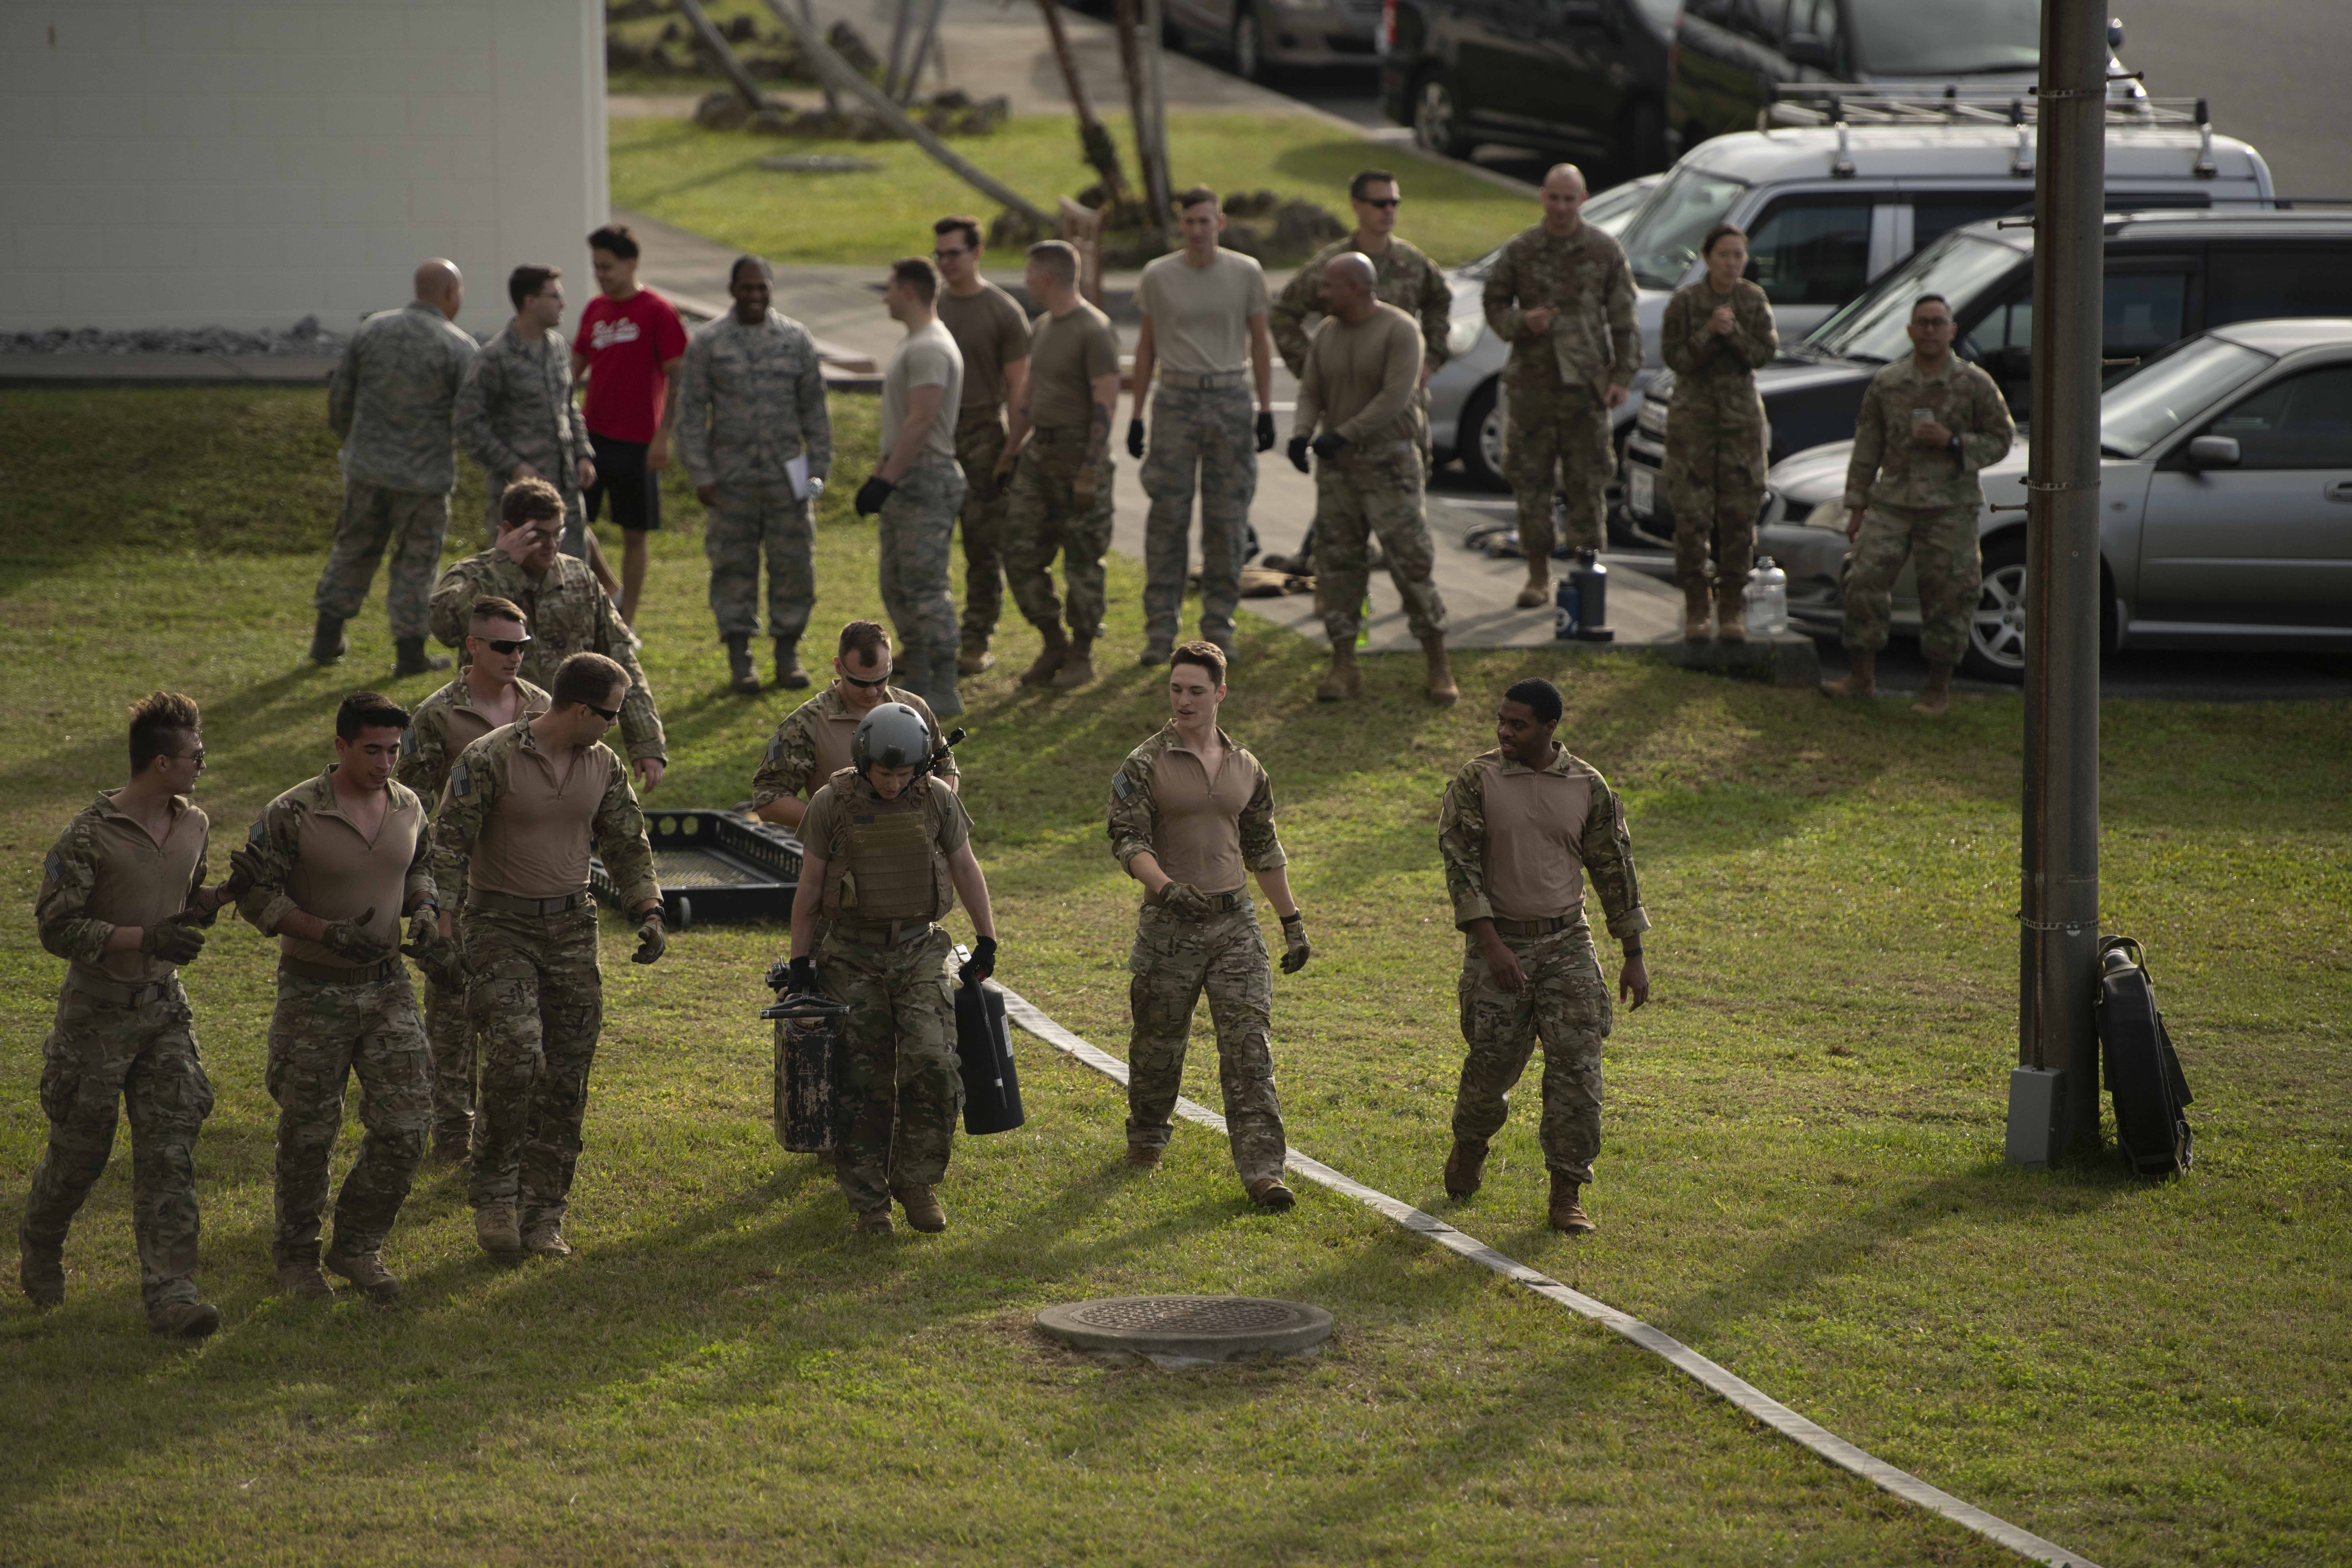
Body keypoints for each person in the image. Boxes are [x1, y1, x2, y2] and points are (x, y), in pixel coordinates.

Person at [426, 652, 663, 1259]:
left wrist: (647, 907)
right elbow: (448, 847)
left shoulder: (603, 765)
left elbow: (627, 839)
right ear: (581, 709)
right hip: (498, 926)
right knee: (514, 1057)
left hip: (572, 929)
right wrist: (442, 928)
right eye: (610, 714)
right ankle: (496, 1199)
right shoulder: (490, 758)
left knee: (565, 1076)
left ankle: (544, 1212)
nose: (616, 724)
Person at [22, 693, 223, 1337]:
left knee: (170, 1152)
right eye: (196, 755)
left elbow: (184, 899)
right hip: (97, 1015)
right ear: (161, 762)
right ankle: (42, 1239)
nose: (203, 764)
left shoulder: (196, 823)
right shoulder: (89, 835)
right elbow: (58, 928)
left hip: (164, 1010)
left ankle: (173, 1294)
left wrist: (217, 900)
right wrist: (144, 938)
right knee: (81, 1155)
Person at [234, 692, 436, 1303]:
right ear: (341, 746)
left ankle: (357, 1244)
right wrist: (325, 933)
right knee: (309, 1132)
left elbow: (420, 868)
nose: (384, 762)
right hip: (313, 992)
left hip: (387, 987)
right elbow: (255, 896)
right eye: (372, 749)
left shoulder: (408, 805)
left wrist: (425, 911)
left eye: (394, 750)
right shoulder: (292, 813)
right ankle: (297, 1258)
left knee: (406, 1125)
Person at [1437, 677, 1650, 1236]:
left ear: (1551, 727)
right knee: (1490, 1070)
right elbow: (1460, 868)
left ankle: (1567, 1190)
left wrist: (1633, 953)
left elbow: (1614, 869)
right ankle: (1470, 1145)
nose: (1505, 732)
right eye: (1501, 722)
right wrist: (1491, 946)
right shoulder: (1476, 779)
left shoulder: (1587, 785)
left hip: (1568, 941)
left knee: (1578, 1069)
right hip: (1498, 941)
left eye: (1519, 724)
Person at [1106, 640, 1308, 1211]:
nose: (1184, 700)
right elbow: (1128, 840)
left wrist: (1291, 922)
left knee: (1249, 1048)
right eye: (1176, 690)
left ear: (1220, 693)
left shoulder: (1247, 766)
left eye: (1196, 691)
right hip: (1170, 926)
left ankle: (1265, 1172)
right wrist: (1165, 887)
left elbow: (1263, 846)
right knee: (1158, 1045)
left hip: (1235, 924)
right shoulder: (1145, 763)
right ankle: (1147, 1137)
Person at [782, 704, 999, 1235]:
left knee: (935, 1064)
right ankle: (869, 1201)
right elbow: (810, 889)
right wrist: (801, 962)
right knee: (861, 1077)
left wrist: (988, 936)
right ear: (864, 762)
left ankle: (916, 1179)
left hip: (918, 947)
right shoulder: (831, 802)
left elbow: (965, 866)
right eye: (886, 774)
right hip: (851, 953)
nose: (895, 783)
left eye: (905, 774)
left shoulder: (937, 799)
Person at [396, 597, 551, 1161]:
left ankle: (510, 1126)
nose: (516, 657)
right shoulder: (436, 716)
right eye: (505, 647)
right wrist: (424, 894)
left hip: (523, 878)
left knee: (518, 1012)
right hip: (457, 879)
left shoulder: (542, 707)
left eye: (523, 647)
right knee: (452, 1011)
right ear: (474, 647)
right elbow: (407, 806)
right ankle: (452, 1130)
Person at [1821, 292, 2015, 715]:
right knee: (1862, 580)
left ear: (1952, 331)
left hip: (1951, 506)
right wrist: (1856, 506)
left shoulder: (1974, 384)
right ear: (1909, 331)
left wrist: (1955, 441)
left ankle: (1937, 689)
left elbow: (2003, 440)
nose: (1930, 330)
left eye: (1937, 323)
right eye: (1922, 323)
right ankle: (1861, 676)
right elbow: (1867, 443)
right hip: (1892, 502)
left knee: (1950, 594)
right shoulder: (1889, 383)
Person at [1287, 252, 1454, 707]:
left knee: (1410, 561)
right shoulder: (1326, 333)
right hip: (1338, 469)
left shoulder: (1401, 330)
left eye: (1329, 287)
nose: (1321, 294)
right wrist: (1302, 433)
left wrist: (1343, 434)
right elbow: (1311, 390)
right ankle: (1344, 665)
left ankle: (1438, 663)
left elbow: (1395, 398)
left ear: (1356, 289)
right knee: (1338, 564)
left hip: (1390, 465)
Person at [428, 478, 667, 794]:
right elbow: (446, 628)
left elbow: (621, 659)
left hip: (567, 736)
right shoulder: (474, 574)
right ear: (510, 530)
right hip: (495, 738)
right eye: (539, 536)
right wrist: (502, 566)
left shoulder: (580, 578)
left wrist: (646, 741)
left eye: (558, 534)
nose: (553, 545)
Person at [1128, 188, 1278, 665]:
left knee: (1226, 518)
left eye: (1205, 221)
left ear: (1221, 222)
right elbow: (1146, 346)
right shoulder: (1159, 274)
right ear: (1180, 225)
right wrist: (1135, 415)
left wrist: (1267, 408)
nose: (1196, 230)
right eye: (1189, 221)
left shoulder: (1245, 271)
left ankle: (1218, 626)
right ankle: (1159, 630)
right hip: (1174, 397)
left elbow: (1259, 342)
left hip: (1229, 396)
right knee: (1167, 517)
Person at [1481, 164, 1640, 608]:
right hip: (1532, 385)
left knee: (1588, 481)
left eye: (1570, 199)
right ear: (1542, 197)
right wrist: (1519, 322)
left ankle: (1586, 574)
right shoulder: (1522, 249)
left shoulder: (1604, 250)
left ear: (1584, 200)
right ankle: (1537, 574)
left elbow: (1625, 317)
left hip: (1586, 388)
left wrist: (1622, 377)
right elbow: (1493, 301)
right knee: (1530, 481)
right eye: (1554, 198)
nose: (1561, 207)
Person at [312, 258, 480, 675]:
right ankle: (409, 653)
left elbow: (341, 396)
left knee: (354, 548)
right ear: (449, 294)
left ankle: (326, 637)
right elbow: (471, 415)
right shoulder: (458, 346)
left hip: (367, 469)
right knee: (417, 561)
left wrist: (352, 442)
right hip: (424, 479)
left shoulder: (372, 330)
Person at [677, 254, 833, 695]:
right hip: (731, 478)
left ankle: (788, 653)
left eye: (762, 288)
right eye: (747, 288)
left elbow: (815, 411)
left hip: (790, 475)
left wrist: (817, 470)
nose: (755, 296)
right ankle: (740, 658)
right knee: (732, 566)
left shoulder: (795, 339)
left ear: (771, 289)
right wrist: (701, 474)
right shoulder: (708, 343)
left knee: (795, 565)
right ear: (733, 291)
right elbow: (690, 413)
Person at [1001, 240, 1121, 690]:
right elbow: (1029, 397)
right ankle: (1054, 641)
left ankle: (1082, 654)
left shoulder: (1094, 329)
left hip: (1078, 456)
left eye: (1030, 273)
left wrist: (1089, 467)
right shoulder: (1044, 326)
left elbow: (1105, 402)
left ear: (1046, 278)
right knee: (1019, 550)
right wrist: (1010, 452)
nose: (1027, 280)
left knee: (1084, 559)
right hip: (1040, 454)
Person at [856, 257, 968, 718]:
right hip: (907, 477)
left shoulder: (931, 347)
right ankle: (919, 671)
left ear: (908, 291)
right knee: (897, 582)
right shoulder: (917, 343)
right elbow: (904, 420)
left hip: (926, 478)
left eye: (889, 288)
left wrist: (886, 479)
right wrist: (879, 475)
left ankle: (944, 684)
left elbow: (922, 420)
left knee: (925, 587)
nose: (884, 297)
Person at [1661, 222, 1778, 642]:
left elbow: (1765, 353)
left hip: (1740, 424)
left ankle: (1731, 608)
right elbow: (1675, 358)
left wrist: (1737, 334)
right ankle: (1697, 606)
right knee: (1692, 518)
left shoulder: (1753, 299)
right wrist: (1707, 334)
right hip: (1693, 423)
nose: (1731, 263)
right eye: (1724, 255)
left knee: (1738, 518)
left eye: (1739, 256)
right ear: (1708, 257)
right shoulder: (1687, 301)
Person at [931, 215, 1033, 677]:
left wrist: (1010, 450)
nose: (946, 262)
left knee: (981, 546)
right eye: (940, 254)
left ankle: (975, 640)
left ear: (977, 253)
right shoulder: (931, 306)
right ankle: (930, 635)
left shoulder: (1003, 311)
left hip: (983, 435)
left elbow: (1019, 390)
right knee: (927, 543)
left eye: (954, 253)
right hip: (935, 434)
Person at [573, 225, 689, 628]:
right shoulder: (594, 310)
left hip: (639, 441)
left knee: (634, 533)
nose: (601, 274)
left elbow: (679, 376)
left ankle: (629, 620)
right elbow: (574, 369)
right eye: (596, 267)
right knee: (571, 521)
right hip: (591, 439)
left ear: (631, 264)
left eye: (608, 267)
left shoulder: (657, 310)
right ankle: (608, 587)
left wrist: (663, 436)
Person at [750, 619, 958, 832]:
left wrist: (939, 812)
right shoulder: (806, 724)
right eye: (860, 682)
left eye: (880, 680)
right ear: (839, 667)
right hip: (847, 856)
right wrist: (837, 822)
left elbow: (947, 766)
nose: (872, 692)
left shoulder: (914, 709)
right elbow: (768, 799)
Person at [454, 264, 600, 566]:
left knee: (570, 577)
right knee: (517, 580)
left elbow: (569, 406)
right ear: (531, 302)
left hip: (565, 492)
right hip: (520, 498)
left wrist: (583, 454)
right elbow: (468, 424)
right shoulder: (496, 357)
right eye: (555, 296)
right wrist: (514, 466)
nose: (564, 303)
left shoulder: (558, 347)